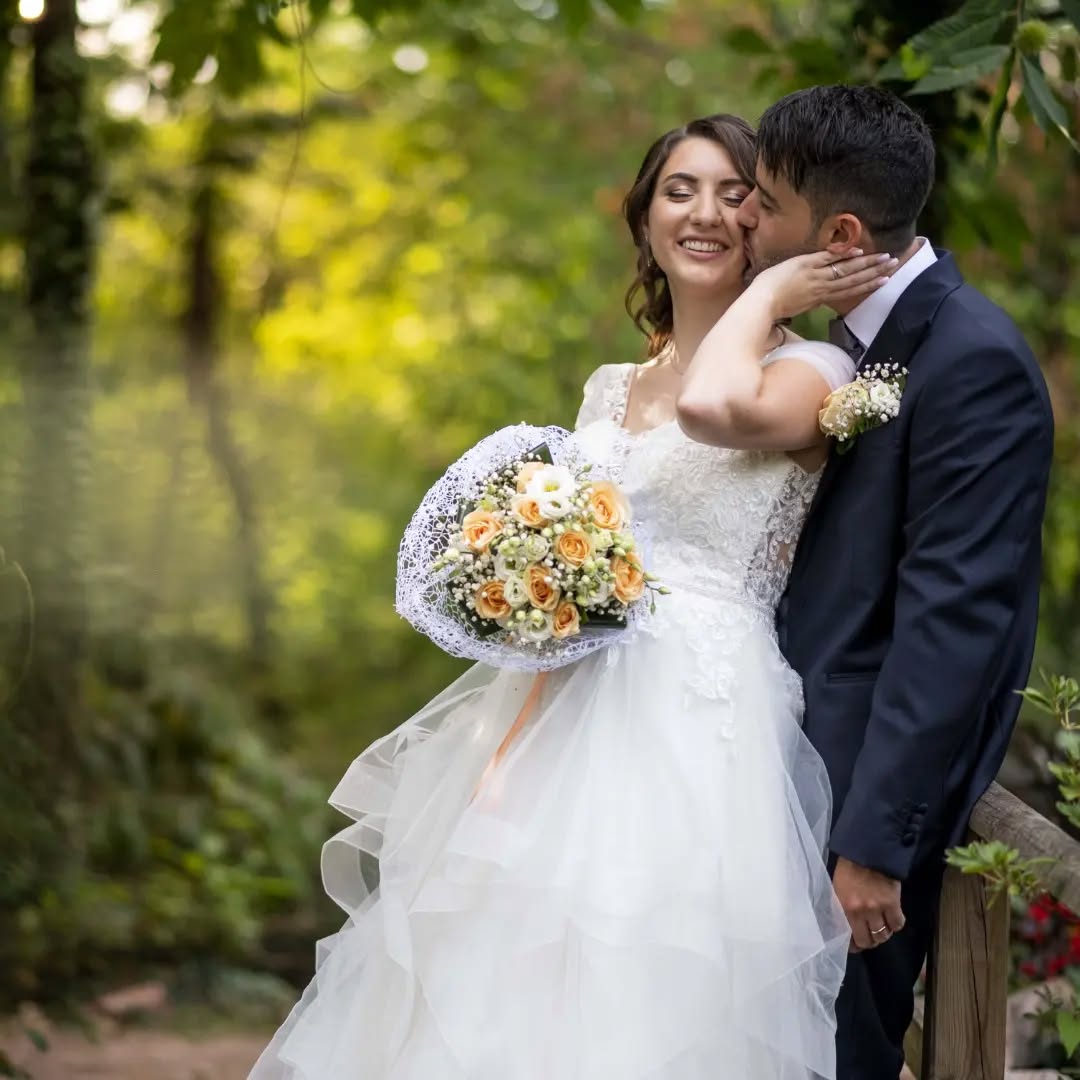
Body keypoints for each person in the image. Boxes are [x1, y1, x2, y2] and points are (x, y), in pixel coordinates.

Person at [249, 114, 891, 1080]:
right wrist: (508, 748)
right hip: (567, 715)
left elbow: (719, 413)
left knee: (653, 994)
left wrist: (770, 299)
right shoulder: (609, 389)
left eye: (733, 193)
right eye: (680, 190)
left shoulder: (813, 370)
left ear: (766, 223)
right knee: (503, 983)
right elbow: (577, 600)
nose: (706, 213)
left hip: (702, 726)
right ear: (645, 218)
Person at [713, 84, 1052, 1079]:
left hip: (849, 822)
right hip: (767, 775)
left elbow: (953, 621)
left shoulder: (971, 360)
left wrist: (873, 845)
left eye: (763, 201)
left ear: (843, 228)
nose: (744, 217)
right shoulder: (840, 345)